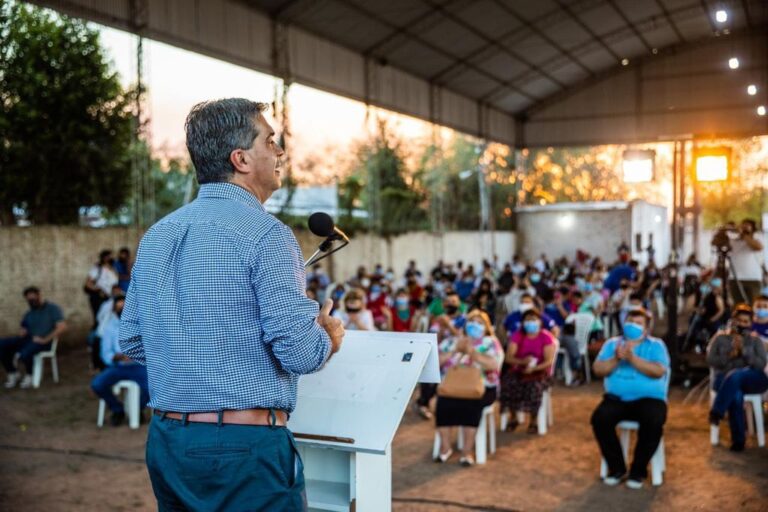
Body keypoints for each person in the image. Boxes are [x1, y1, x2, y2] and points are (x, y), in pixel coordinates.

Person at [119, 99, 345, 510]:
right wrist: (327, 335)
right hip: (245, 449)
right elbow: (300, 352)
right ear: (240, 159)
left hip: (169, 441)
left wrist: (194, 364)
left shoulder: (158, 235)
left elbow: (133, 339)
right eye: (270, 141)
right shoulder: (267, 235)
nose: (279, 152)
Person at [591, 308, 669, 489]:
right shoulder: (612, 344)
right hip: (616, 399)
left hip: (650, 399)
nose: (633, 325)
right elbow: (598, 369)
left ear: (647, 328)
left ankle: (638, 470)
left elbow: (658, 371)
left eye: (639, 322)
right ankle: (617, 467)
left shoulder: (656, 345)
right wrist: (616, 359)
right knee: (600, 419)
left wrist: (632, 358)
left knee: (654, 420)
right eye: (630, 321)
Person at [434, 310, 503, 466]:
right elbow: (435, 363)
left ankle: (467, 451)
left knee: (471, 403)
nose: (475, 325)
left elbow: (493, 365)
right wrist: (455, 350)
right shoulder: (452, 341)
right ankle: (445, 448)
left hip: (482, 387)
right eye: (472, 321)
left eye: (480, 323)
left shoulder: (491, 342)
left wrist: (472, 352)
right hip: (452, 386)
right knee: (443, 402)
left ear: (486, 327)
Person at [707, 305, 768, 451]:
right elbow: (711, 361)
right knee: (736, 394)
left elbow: (761, 365)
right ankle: (739, 441)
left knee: (737, 375)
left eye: (746, 322)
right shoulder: (721, 338)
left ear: (750, 323)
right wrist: (729, 354)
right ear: (733, 321)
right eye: (739, 321)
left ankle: (717, 411)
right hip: (724, 381)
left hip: (752, 378)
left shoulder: (755, 341)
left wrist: (745, 351)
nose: (742, 324)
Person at [90, 296, 150, 426]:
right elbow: (105, 353)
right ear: (114, 309)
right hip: (119, 366)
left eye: (125, 307)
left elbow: (151, 347)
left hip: (139, 365)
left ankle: (137, 409)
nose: (122, 310)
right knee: (97, 384)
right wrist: (117, 356)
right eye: (119, 308)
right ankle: (118, 409)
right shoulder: (109, 328)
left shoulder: (142, 324)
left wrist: (136, 354)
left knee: (153, 387)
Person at [500, 307, 557, 433]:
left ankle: (534, 420)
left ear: (540, 322)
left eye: (533, 319)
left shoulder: (546, 337)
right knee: (508, 383)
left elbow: (549, 361)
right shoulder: (517, 336)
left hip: (540, 372)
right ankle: (513, 417)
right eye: (527, 320)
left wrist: (534, 368)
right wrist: (522, 362)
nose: (530, 322)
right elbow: (509, 357)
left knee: (534, 387)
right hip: (519, 370)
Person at [1, 287, 67, 389]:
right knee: (3, 344)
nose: (32, 302)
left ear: (39, 296)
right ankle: (13, 373)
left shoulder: (52, 309)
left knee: (25, 353)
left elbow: (62, 327)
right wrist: (23, 332)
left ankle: (29, 375)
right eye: (29, 300)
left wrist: (46, 339)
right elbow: (23, 328)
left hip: (44, 341)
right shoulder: (29, 313)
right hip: (29, 339)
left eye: (34, 299)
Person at [416, 291, 467, 420]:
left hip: (458, 352)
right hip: (441, 351)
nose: (451, 305)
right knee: (430, 365)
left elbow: (462, 338)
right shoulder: (439, 319)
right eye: (448, 302)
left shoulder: (464, 319)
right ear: (444, 305)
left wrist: (448, 325)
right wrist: (442, 329)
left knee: (441, 365)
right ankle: (424, 402)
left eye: (454, 302)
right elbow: (434, 340)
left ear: (459, 304)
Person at [728, 219, 764, 304]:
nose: (743, 227)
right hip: (735, 278)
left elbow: (758, 247)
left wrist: (744, 234)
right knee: (738, 307)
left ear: (753, 229)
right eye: (742, 225)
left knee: (754, 305)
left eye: (746, 226)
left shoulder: (757, 239)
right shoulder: (733, 241)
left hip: (753, 279)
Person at [83, 249, 118, 327]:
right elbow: (88, 284)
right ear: (103, 258)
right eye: (107, 256)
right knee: (99, 319)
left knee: (108, 319)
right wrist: (99, 290)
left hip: (110, 298)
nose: (109, 258)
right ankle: (96, 338)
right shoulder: (97, 269)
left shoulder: (113, 269)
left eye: (110, 256)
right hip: (99, 298)